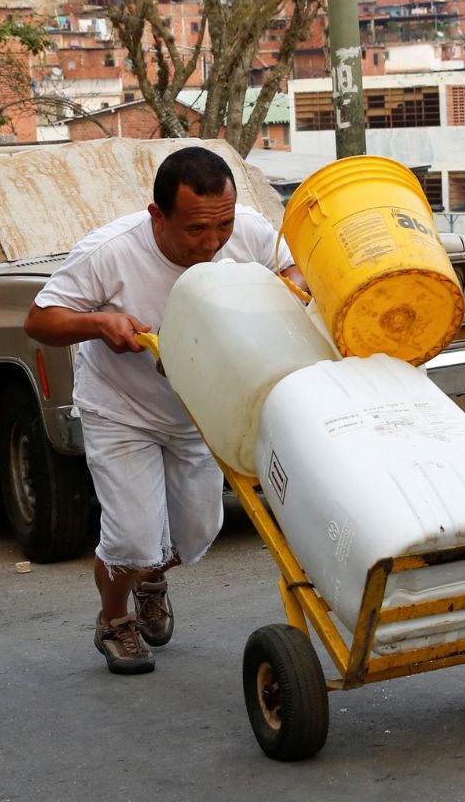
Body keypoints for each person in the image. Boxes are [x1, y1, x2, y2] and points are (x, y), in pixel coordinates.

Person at [25, 147, 304, 675]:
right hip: (121, 408)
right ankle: (114, 622)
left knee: (198, 531)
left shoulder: (243, 229)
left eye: (222, 225)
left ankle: (150, 574)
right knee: (132, 535)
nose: (213, 242)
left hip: (200, 408)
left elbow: (291, 266)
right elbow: (39, 320)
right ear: (158, 216)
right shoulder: (110, 251)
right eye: (197, 230)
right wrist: (100, 325)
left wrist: (293, 288)